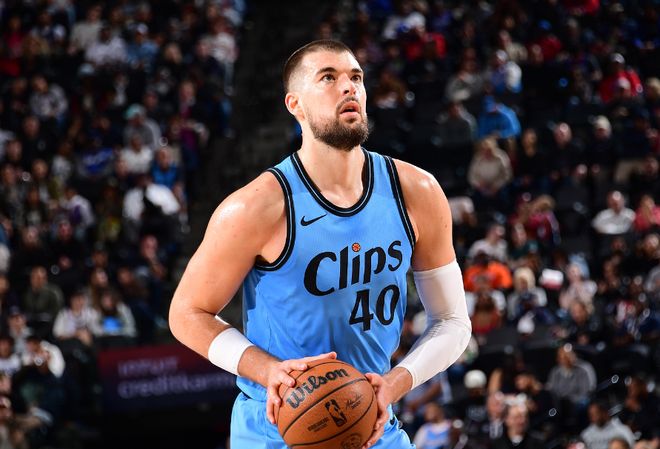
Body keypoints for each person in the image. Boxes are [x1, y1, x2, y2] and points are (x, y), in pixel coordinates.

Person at [169, 40, 471, 449]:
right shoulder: (255, 207)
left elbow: (452, 321)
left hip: (369, 423)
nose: (349, 87)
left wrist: (394, 384)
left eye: (356, 77)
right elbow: (187, 313)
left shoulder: (417, 192)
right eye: (328, 78)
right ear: (294, 104)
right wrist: (268, 371)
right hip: (277, 427)